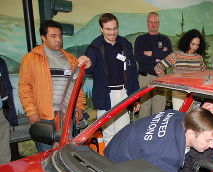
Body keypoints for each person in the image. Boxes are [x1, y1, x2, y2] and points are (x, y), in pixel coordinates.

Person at [19, 20, 86, 152]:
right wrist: (32, 112)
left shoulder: (71, 59)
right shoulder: (31, 58)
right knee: (47, 156)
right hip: (45, 118)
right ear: (43, 37)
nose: (58, 40)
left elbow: (77, 86)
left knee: (67, 155)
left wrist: (79, 106)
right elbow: (25, 87)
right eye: (53, 36)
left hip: (67, 118)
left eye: (60, 36)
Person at [78, 13, 140, 145]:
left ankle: (121, 161)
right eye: (108, 29)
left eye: (115, 28)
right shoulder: (95, 46)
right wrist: (87, 61)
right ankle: (109, 163)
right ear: (101, 29)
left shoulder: (125, 44)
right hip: (106, 95)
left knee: (123, 131)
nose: (112, 33)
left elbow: (132, 71)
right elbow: (90, 60)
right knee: (108, 132)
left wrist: (135, 98)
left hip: (124, 93)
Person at [104, 108, 213, 172]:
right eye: (208, 140)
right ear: (190, 133)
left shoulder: (180, 116)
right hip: (115, 165)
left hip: (120, 143)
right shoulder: (165, 157)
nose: (211, 146)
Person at [155, 29, 206, 110]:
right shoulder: (176, 55)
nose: (195, 47)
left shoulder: (199, 58)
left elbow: (204, 75)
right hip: (178, 94)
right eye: (192, 44)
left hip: (195, 95)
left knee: (192, 121)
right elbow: (158, 67)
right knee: (179, 119)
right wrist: (167, 82)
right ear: (186, 42)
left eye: (197, 45)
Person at [135, 12, 172, 119]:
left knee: (159, 109)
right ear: (147, 23)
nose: (153, 24)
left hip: (160, 77)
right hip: (144, 77)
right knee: (144, 108)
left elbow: (168, 57)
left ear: (159, 23)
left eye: (155, 22)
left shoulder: (165, 39)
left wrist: (149, 53)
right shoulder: (140, 39)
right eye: (151, 22)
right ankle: (142, 133)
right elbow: (138, 56)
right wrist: (157, 54)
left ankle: (155, 133)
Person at [0, 57, 18, 165]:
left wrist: (8, 111)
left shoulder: (1, 62)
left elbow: (6, 86)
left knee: (4, 154)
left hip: (2, 113)